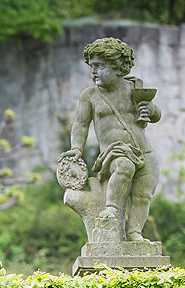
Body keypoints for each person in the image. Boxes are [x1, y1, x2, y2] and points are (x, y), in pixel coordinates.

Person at [58, 37, 161, 243]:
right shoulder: (90, 95)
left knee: (143, 194)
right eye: (92, 66)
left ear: (118, 67)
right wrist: (76, 148)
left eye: (99, 66)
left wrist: (149, 110)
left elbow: (156, 114)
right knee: (124, 167)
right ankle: (110, 211)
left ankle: (134, 233)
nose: (94, 71)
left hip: (144, 149)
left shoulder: (134, 88)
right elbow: (80, 124)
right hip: (114, 151)